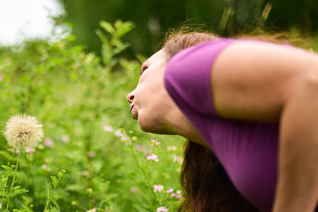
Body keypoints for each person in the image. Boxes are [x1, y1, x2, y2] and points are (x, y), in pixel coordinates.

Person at [126, 32, 318, 212]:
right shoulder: (221, 150)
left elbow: (311, 80)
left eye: (144, 70)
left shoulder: (183, 66)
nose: (130, 95)